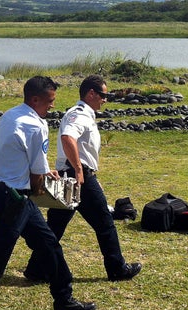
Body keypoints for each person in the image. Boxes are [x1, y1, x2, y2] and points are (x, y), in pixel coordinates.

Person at [0, 76, 96, 310]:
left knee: (49, 244)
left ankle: (63, 298)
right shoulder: (35, 126)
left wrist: (39, 171)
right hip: (15, 199)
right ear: (36, 99)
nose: (53, 106)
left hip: (6, 192)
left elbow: (24, 158)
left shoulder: (11, 114)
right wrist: (43, 181)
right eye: (50, 101)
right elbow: (36, 177)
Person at [24, 74, 142, 283]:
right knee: (104, 222)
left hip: (74, 174)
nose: (105, 99)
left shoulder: (85, 114)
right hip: (78, 176)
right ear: (91, 93)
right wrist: (79, 170)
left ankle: (36, 269)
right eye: (103, 95)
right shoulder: (79, 114)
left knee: (55, 225)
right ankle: (117, 268)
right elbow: (68, 138)